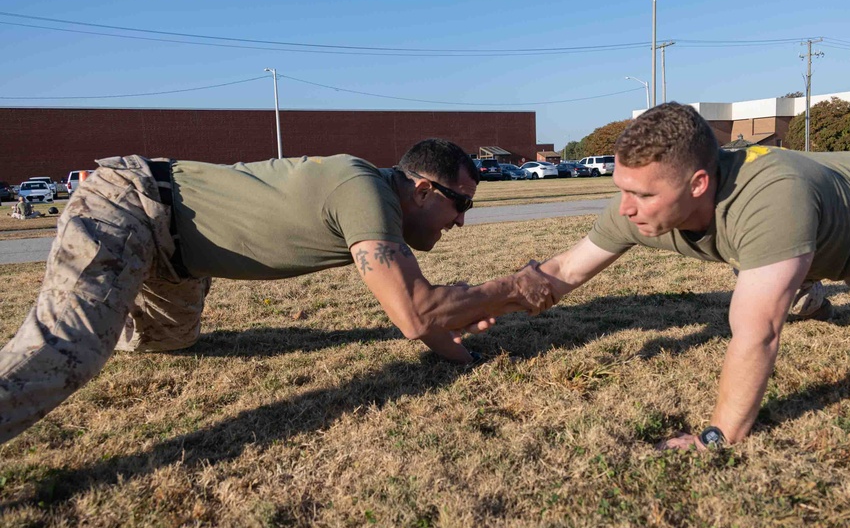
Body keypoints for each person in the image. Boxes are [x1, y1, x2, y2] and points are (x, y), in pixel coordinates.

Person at [0, 139, 555, 444]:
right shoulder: (362, 189)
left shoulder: (380, 206)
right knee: (69, 351)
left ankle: (112, 302)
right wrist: (511, 288)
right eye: (462, 205)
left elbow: (424, 320)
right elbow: (414, 314)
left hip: (178, 261)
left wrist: (469, 355)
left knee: (167, 343)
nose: (461, 223)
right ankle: (94, 312)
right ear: (423, 189)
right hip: (133, 206)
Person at [530, 103, 850, 450]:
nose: (625, 207)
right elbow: (563, 271)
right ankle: (807, 295)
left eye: (642, 195)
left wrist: (718, 437)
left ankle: (800, 289)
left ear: (698, 183)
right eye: (621, 189)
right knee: (768, 261)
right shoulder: (641, 207)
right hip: (827, 228)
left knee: (764, 280)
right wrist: (471, 307)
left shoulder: (771, 200)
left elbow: (757, 334)